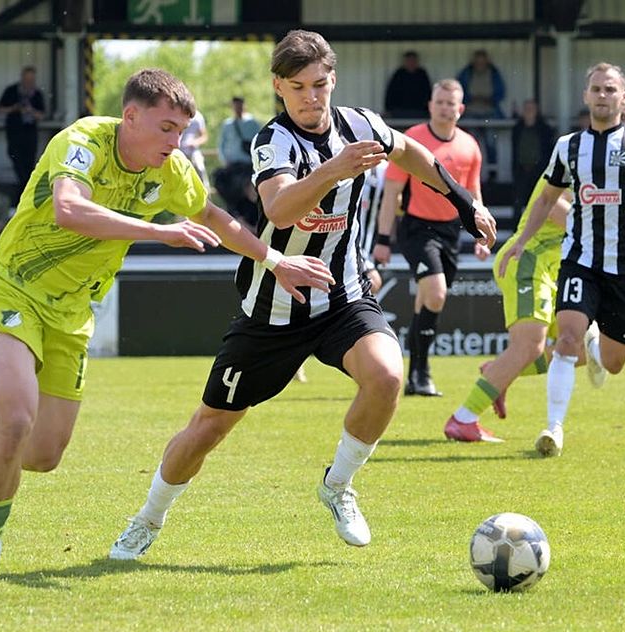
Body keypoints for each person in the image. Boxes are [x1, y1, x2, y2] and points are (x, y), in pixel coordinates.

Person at [0, 68, 332, 584]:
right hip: (12, 288)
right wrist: (157, 232)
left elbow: (213, 217)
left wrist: (275, 260)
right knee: (15, 420)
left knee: (41, 452)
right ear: (131, 116)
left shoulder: (172, 170)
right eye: (167, 128)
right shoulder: (82, 141)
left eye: (183, 131)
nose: (177, 142)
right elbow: (69, 210)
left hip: (72, 314)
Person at [108, 31, 496, 562]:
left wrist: (463, 200)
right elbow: (280, 210)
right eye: (298, 88)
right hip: (272, 307)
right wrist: (337, 167)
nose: (311, 97)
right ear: (278, 87)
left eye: (319, 84)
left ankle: (338, 485)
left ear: (332, 79)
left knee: (386, 376)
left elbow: (409, 151)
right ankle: (147, 518)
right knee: (208, 429)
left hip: (341, 296)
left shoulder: (359, 124)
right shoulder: (273, 141)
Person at [499, 62, 625, 457]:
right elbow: (547, 199)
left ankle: (597, 351)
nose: (603, 95)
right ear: (585, 96)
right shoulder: (568, 147)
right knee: (566, 337)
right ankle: (553, 429)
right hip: (580, 260)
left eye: (610, 89)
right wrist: (519, 242)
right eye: (596, 89)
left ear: (624, 97)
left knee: (614, 362)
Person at [445, 103, 625, 443]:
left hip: (555, 270)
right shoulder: (579, 159)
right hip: (529, 260)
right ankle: (463, 419)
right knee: (531, 346)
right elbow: (554, 209)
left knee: (576, 349)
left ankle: (498, 373)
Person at [373, 78, 485, 397]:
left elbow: (473, 194)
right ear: (430, 105)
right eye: (439, 102)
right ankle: (421, 373)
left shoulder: (469, 146)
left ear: (460, 109)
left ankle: (416, 376)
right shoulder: (412, 140)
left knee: (428, 300)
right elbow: (392, 192)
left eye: (451, 103)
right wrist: (383, 239)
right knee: (436, 294)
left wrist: (480, 233)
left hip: (450, 231)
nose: (445, 108)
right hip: (416, 228)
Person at [456, 49, 505, 178]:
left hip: (489, 112)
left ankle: (492, 174)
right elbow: (458, 90)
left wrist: (489, 99)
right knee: (471, 143)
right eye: (478, 61)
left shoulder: (493, 73)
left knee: (490, 143)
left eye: (482, 61)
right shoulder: (467, 73)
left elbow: (501, 92)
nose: (480, 64)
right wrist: (471, 99)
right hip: (471, 111)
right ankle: (470, 173)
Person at [213, 96, 261, 226]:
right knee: (221, 181)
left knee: (248, 192)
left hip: (248, 165)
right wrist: (224, 160)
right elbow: (221, 145)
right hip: (232, 165)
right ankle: (234, 215)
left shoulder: (252, 123)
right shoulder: (227, 124)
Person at [0, 66, 46, 191]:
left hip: (30, 134)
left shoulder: (37, 94)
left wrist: (31, 111)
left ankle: (26, 189)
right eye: (27, 79)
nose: (29, 82)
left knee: (29, 166)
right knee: (17, 164)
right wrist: (15, 109)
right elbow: (0, 109)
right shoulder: (11, 91)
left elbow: (41, 115)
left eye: (32, 79)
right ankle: (24, 189)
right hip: (14, 133)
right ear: (22, 78)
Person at [511, 99, 555, 223]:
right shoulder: (517, 128)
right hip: (521, 169)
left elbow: (548, 151)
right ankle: (516, 229)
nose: (529, 112)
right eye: (526, 109)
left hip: (539, 170)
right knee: (518, 202)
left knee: (538, 200)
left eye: (532, 109)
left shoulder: (545, 129)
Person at [384, 50, 432, 119]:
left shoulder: (422, 74)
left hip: (419, 111)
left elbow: (428, 93)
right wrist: (388, 109)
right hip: (400, 111)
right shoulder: (399, 74)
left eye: (413, 61)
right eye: (409, 61)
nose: (411, 63)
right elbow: (390, 93)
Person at [179, 109, 209, 189]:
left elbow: (204, 136)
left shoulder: (198, 117)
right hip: (178, 150)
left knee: (200, 168)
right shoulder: (177, 114)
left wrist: (195, 142)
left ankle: (205, 193)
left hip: (193, 151)